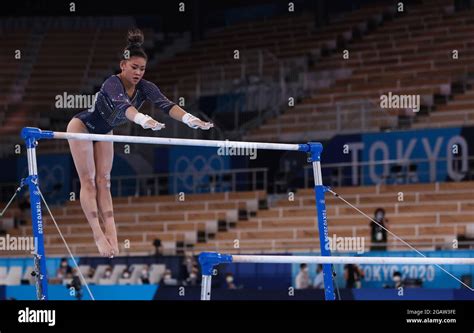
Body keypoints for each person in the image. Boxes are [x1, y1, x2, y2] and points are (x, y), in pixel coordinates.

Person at [66, 29, 213, 257]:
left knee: (104, 181)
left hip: (105, 130)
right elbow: (124, 107)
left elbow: (167, 105)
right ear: (123, 65)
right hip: (82, 126)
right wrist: (143, 119)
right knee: (89, 181)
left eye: (142, 69)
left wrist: (190, 120)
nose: (138, 73)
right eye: (134, 67)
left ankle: (112, 234)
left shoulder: (146, 87)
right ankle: (97, 234)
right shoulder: (111, 84)